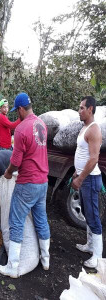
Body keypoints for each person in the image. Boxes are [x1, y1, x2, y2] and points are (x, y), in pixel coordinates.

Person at [0, 92, 50, 278]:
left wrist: (8, 172)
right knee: (41, 218)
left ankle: (13, 266)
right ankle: (45, 259)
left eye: (16, 111)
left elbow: (16, 161)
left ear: (20, 108)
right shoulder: (41, 124)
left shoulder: (21, 129)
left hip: (27, 182)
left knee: (16, 222)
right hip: (43, 182)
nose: (16, 114)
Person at [72, 96, 103, 269]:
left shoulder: (94, 130)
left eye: (82, 108)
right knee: (85, 211)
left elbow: (93, 159)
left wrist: (81, 178)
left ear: (90, 109)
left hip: (90, 179)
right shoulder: (84, 128)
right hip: (84, 177)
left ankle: (98, 257)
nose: (79, 110)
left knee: (93, 215)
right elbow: (82, 155)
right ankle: (90, 245)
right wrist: (76, 173)